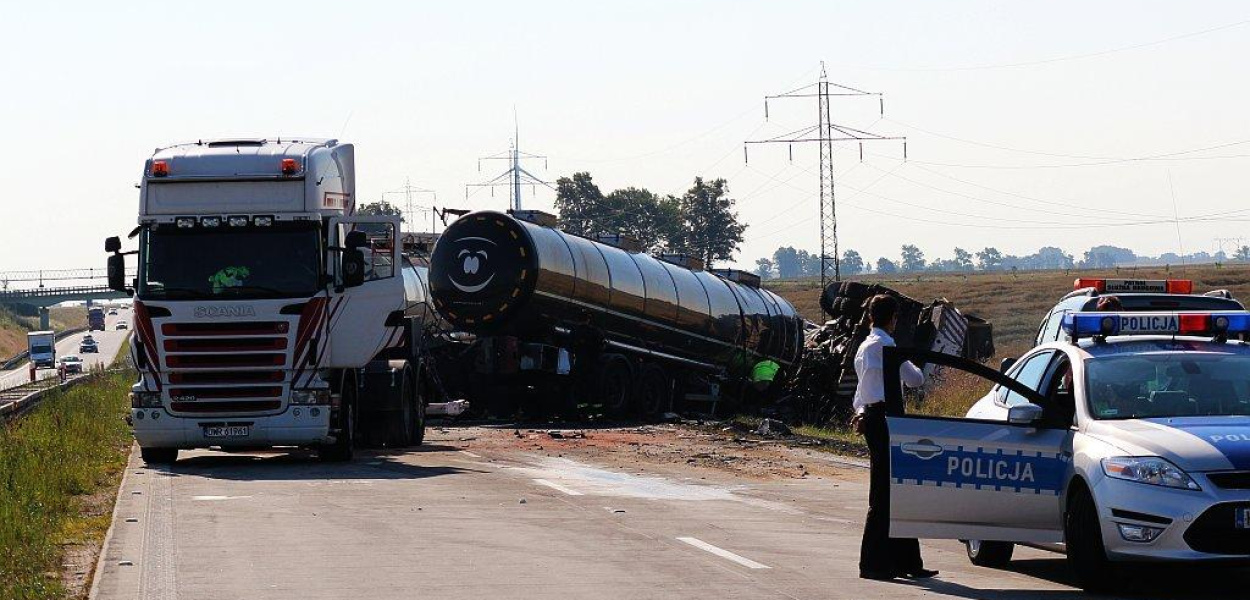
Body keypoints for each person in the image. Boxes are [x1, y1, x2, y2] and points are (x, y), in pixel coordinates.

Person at [855, 294, 936, 581]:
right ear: (893, 319)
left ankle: (905, 561)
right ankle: (875, 563)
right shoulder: (887, 346)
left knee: (889, 491)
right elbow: (916, 379)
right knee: (889, 493)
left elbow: (861, 391)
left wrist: (862, 412)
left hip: (874, 419)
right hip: (889, 421)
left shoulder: (864, 347)